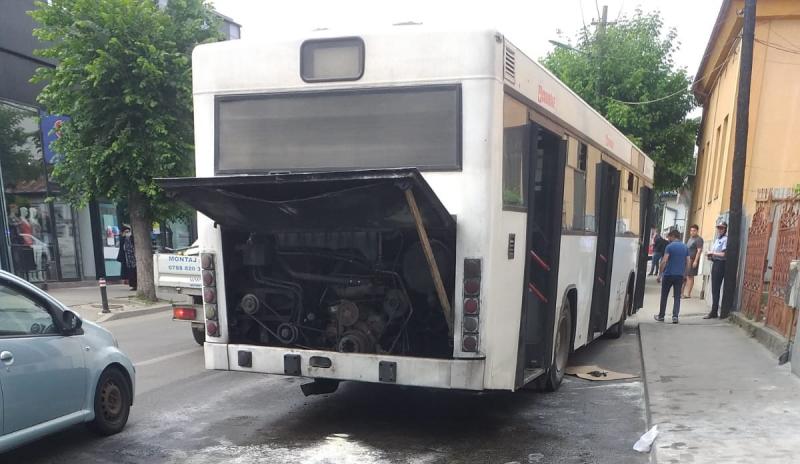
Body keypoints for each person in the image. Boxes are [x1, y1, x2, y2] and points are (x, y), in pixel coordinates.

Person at [655, 229, 691, 324]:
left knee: (664, 296)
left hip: (668, 275)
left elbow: (664, 261)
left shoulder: (669, 246)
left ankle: (661, 316)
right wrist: (685, 274)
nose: (668, 239)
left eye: (669, 237)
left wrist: (659, 274)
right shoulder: (685, 247)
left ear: (673, 236)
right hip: (679, 276)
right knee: (677, 297)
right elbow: (688, 262)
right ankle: (675, 317)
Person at [704, 222, 728, 319]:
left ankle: (715, 311)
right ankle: (714, 310)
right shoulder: (718, 239)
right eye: (718, 228)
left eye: (721, 228)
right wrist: (710, 255)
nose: (719, 229)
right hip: (715, 263)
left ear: (725, 229)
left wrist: (712, 252)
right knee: (714, 288)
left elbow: (724, 255)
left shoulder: (725, 239)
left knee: (716, 288)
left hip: (721, 264)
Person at [682, 224, 704, 298]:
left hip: (692, 260)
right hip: (687, 260)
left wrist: (695, 261)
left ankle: (688, 294)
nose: (692, 232)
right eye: (691, 230)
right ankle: (683, 293)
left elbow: (699, 251)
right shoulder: (690, 238)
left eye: (694, 230)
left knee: (690, 276)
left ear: (697, 231)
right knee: (686, 276)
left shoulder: (699, 239)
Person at [117, 225, 137, 291]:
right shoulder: (123, 239)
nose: (127, 233)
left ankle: (135, 285)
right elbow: (122, 247)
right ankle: (133, 285)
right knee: (130, 272)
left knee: (134, 271)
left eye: (128, 231)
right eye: (126, 232)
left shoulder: (131, 238)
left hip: (133, 258)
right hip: (127, 258)